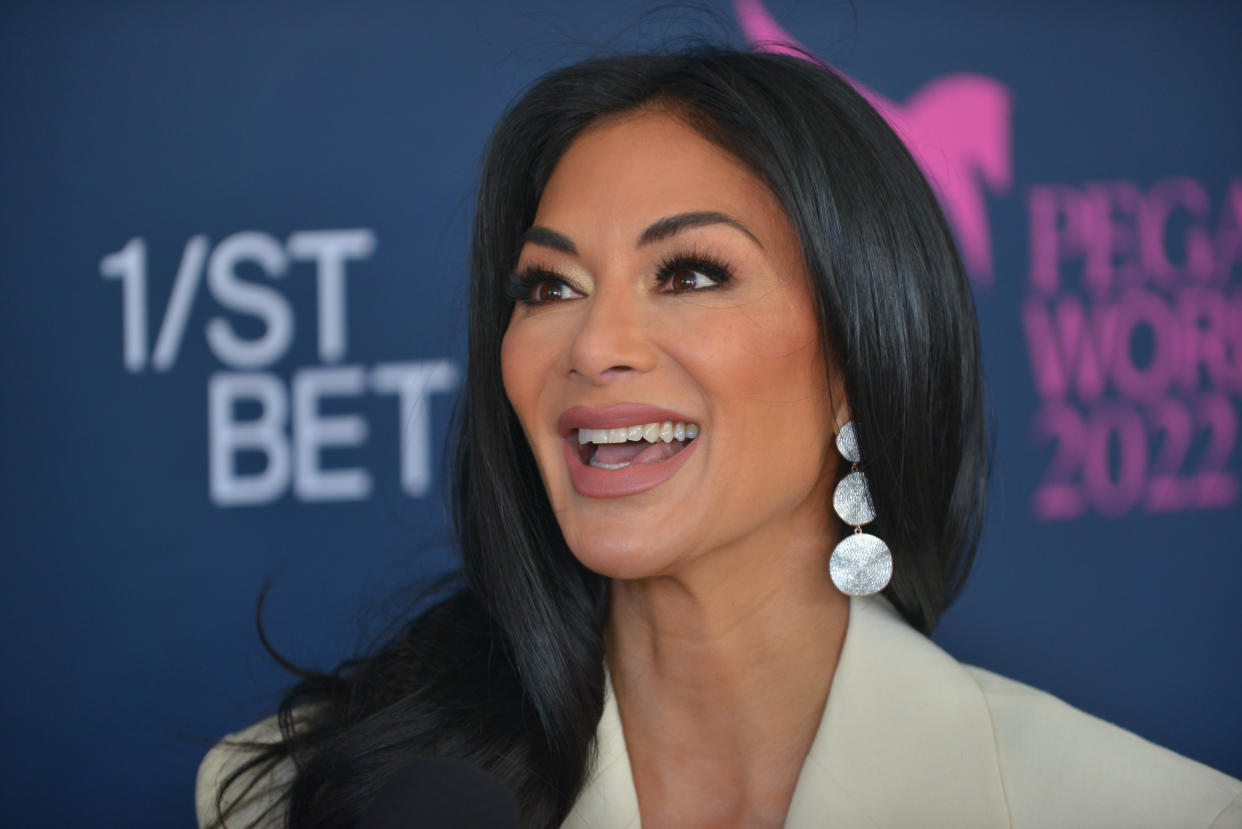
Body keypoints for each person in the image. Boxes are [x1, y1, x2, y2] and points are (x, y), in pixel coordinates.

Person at [196, 46, 1242, 829]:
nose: (595, 344)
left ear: (857, 358)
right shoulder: (297, 794)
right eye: (549, 285)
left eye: (690, 273)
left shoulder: (1151, 811)